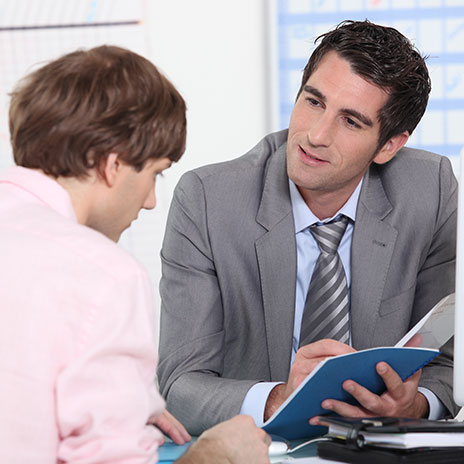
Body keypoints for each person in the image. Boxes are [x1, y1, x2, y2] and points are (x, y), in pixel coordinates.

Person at [158, 20, 459, 436]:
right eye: (314, 102)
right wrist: (281, 396)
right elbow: (179, 384)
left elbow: (447, 358)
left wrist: (416, 403)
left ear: (389, 145)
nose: (315, 136)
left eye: (350, 121)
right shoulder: (208, 201)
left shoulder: (430, 191)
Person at [0, 45, 271, 464]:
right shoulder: (103, 275)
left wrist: (116, 407)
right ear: (113, 165)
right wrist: (213, 457)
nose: (149, 201)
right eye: (154, 173)